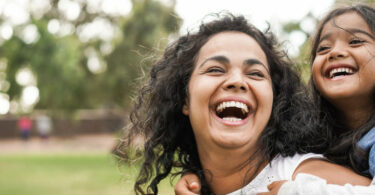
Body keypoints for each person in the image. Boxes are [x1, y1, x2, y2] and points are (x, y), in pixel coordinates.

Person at [115, 14, 370, 195]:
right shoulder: (197, 186)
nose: (237, 81)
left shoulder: (305, 179)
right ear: (184, 99)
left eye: (256, 73)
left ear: (275, 101)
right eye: (215, 69)